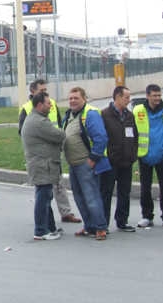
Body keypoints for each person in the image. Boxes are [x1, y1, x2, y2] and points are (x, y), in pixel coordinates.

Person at [18, 79, 82, 223]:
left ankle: (65, 213)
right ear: (33, 92)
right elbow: (23, 132)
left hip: (53, 151)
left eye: (46, 90)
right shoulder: (27, 108)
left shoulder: (51, 104)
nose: (45, 93)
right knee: (44, 190)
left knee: (58, 184)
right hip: (40, 154)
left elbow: (60, 126)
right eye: (42, 90)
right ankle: (45, 222)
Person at [61, 87, 110, 240]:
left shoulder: (90, 114)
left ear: (84, 99)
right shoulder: (69, 115)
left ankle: (101, 228)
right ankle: (89, 227)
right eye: (70, 98)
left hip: (85, 164)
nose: (72, 101)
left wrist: (92, 159)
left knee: (91, 197)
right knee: (79, 197)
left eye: (76, 98)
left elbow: (101, 137)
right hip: (73, 164)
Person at [22, 91, 66, 241]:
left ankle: (50, 227)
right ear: (40, 105)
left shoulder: (36, 118)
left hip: (42, 164)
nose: (51, 106)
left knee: (46, 196)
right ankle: (41, 231)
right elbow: (59, 135)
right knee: (43, 197)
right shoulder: (39, 122)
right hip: (42, 165)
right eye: (48, 103)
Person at [133, 83, 163, 228]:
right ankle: (147, 216)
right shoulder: (138, 110)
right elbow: (133, 131)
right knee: (145, 188)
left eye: (159, 95)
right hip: (144, 155)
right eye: (154, 96)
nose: (157, 98)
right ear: (147, 96)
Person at [100, 86, 139, 232]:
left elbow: (135, 136)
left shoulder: (129, 115)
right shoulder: (105, 114)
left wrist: (133, 154)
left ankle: (122, 221)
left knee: (124, 192)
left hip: (126, 160)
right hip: (110, 161)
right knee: (106, 192)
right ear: (117, 97)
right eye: (126, 97)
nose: (128, 101)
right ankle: (103, 223)